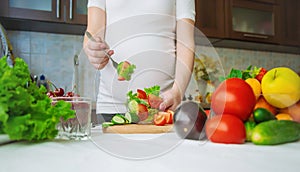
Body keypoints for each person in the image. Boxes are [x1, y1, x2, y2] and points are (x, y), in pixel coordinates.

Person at [83, 0, 195, 122]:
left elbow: (186, 42)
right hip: (111, 106)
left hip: (163, 106)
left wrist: (177, 91)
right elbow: (92, 33)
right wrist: (93, 50)